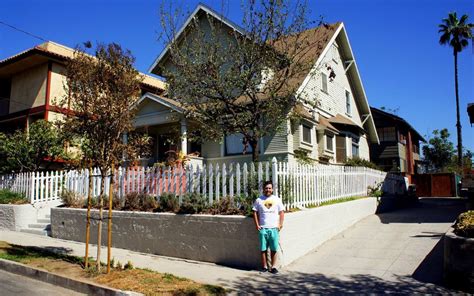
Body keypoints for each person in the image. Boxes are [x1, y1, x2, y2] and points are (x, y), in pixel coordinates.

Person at [252, 180, 284, 274]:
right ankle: (265, 267)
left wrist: (280, 225)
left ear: (272, 189)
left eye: (269, 188)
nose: (268, 190)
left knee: (274, 248)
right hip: (263, 228)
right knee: (263, 249)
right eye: (266, 188)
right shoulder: (259, 200)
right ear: (263, 189)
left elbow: (282, 213)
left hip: (274, 228)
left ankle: (274, 267)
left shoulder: (277, 200)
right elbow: (254, 212)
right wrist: (257, 225)